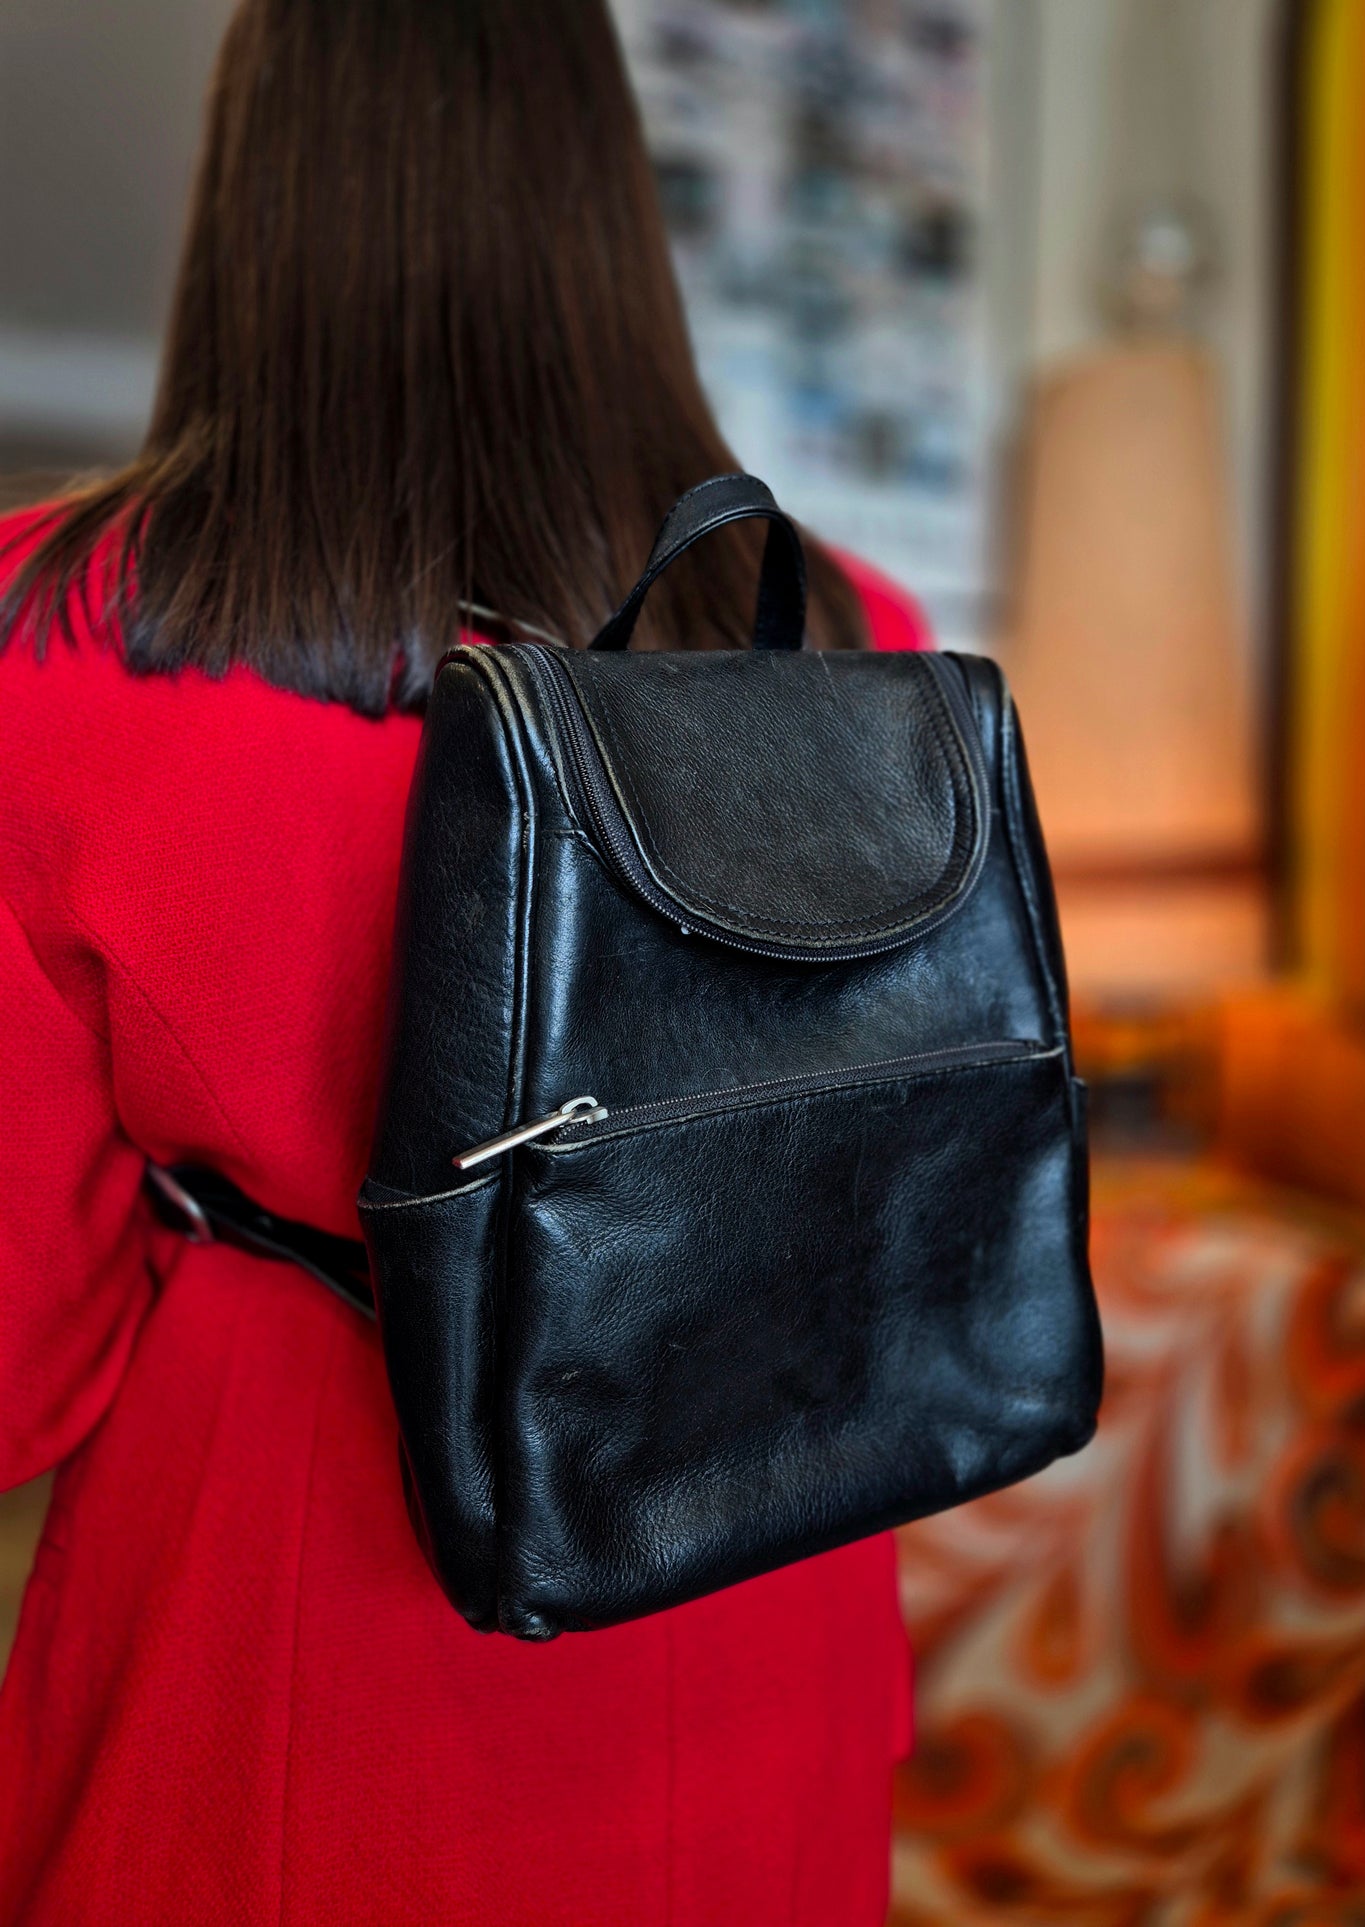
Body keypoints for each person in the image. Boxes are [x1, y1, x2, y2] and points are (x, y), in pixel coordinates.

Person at [0, 2, 931, 1920]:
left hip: (297, 1658)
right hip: (770, 1607)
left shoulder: (56, 648)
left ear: (255, 201)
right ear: (610, 210)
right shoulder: (852, 630)